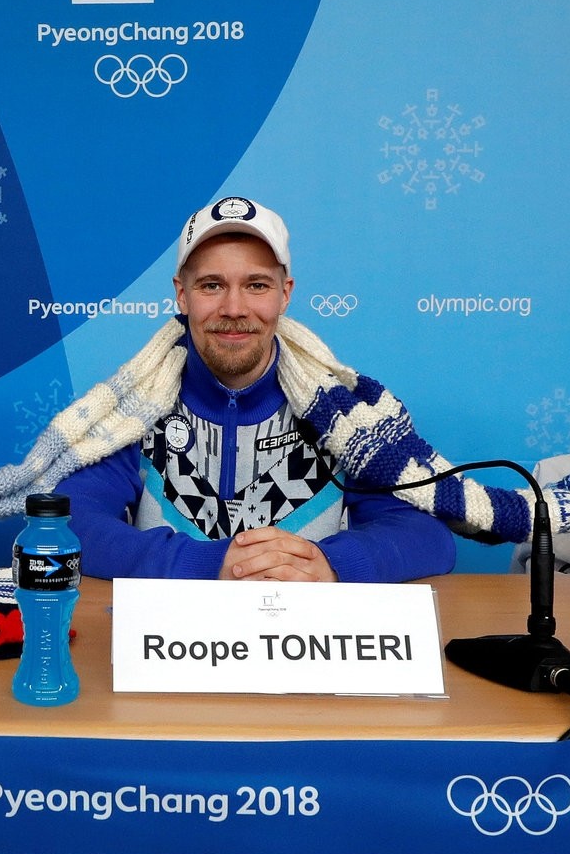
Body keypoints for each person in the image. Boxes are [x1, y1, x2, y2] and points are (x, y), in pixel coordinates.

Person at [54, 197, 457, 582]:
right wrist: (205, 564)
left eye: (257, 285)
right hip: (168, 647)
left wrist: (331, 563)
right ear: (181, 294)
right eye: (211, 285)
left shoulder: (341, 413)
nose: (234, 308)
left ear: (285, 294)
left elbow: (428, 536)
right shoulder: (136, 407)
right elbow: (66, 525)